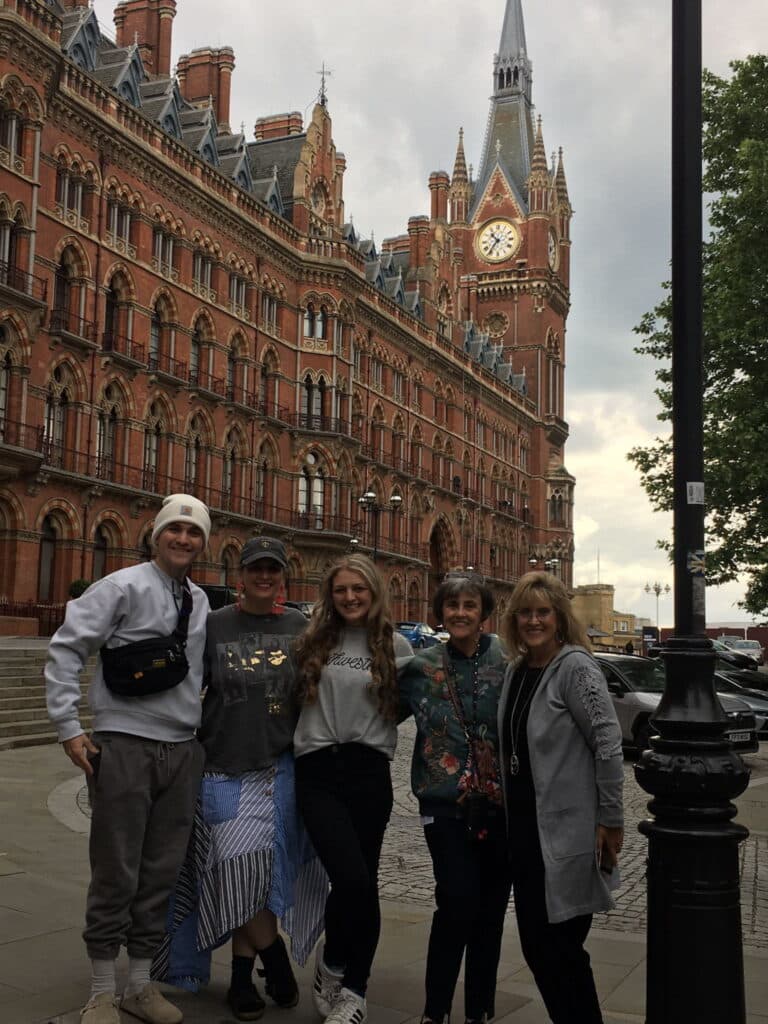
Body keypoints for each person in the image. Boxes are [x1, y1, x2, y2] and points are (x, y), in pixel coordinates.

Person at [45, 493, 211, 1024]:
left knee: (160, 870)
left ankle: (138, 985)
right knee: (116, 868)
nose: (183, 539)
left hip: (181, 750)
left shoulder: (200, 600)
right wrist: (70, 729)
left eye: (193, 532)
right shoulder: (121, 586)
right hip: (124, 745)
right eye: (174, 530)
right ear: (156, 534)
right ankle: (99, 990)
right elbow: (68, 648)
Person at [155, 537, 326, 1021]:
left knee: (260, 874)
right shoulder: (212, 626)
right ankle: (274, 957)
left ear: (283, 576)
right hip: (223, 765)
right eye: (256, 569)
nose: (264, 577)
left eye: (273, 569)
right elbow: (182, 688)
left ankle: (241, 982)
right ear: (241, 575)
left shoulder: (301, 627)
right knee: (235, 866)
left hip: (279, 767)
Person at [498, 571, 624, 1024]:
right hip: (527, 833)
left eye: (543, 612)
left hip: (567, 832)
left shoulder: (574, 667)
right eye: (526, 612)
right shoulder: (517, 670)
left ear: (558, 617)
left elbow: (608, 744)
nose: (534, 621)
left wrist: (611, 820)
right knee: (537, 947)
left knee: (562, 948)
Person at [292, 554, 412, 1024]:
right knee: (352, 879)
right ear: (331, 594)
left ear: (374, 592)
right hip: (318, 769)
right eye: (341, 589)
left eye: (358, 589)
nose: (350, 597)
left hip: (368, 771)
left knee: (365, 883)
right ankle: (334, 960)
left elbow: (417, 703)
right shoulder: (314, 641)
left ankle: (354, 991)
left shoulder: (396, 646)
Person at [399, 572, 510, 1024]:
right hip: (443, 805)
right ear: (439, 613)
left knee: (491, 911)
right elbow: (376, 713)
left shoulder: (509, 660)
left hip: (503, 806)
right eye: (451, 606)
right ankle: (435, 1009)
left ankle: (479, 1009)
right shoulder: (419, 666)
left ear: (485, 613)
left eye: (469, 605)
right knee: (457, 902)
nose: (460, 613)